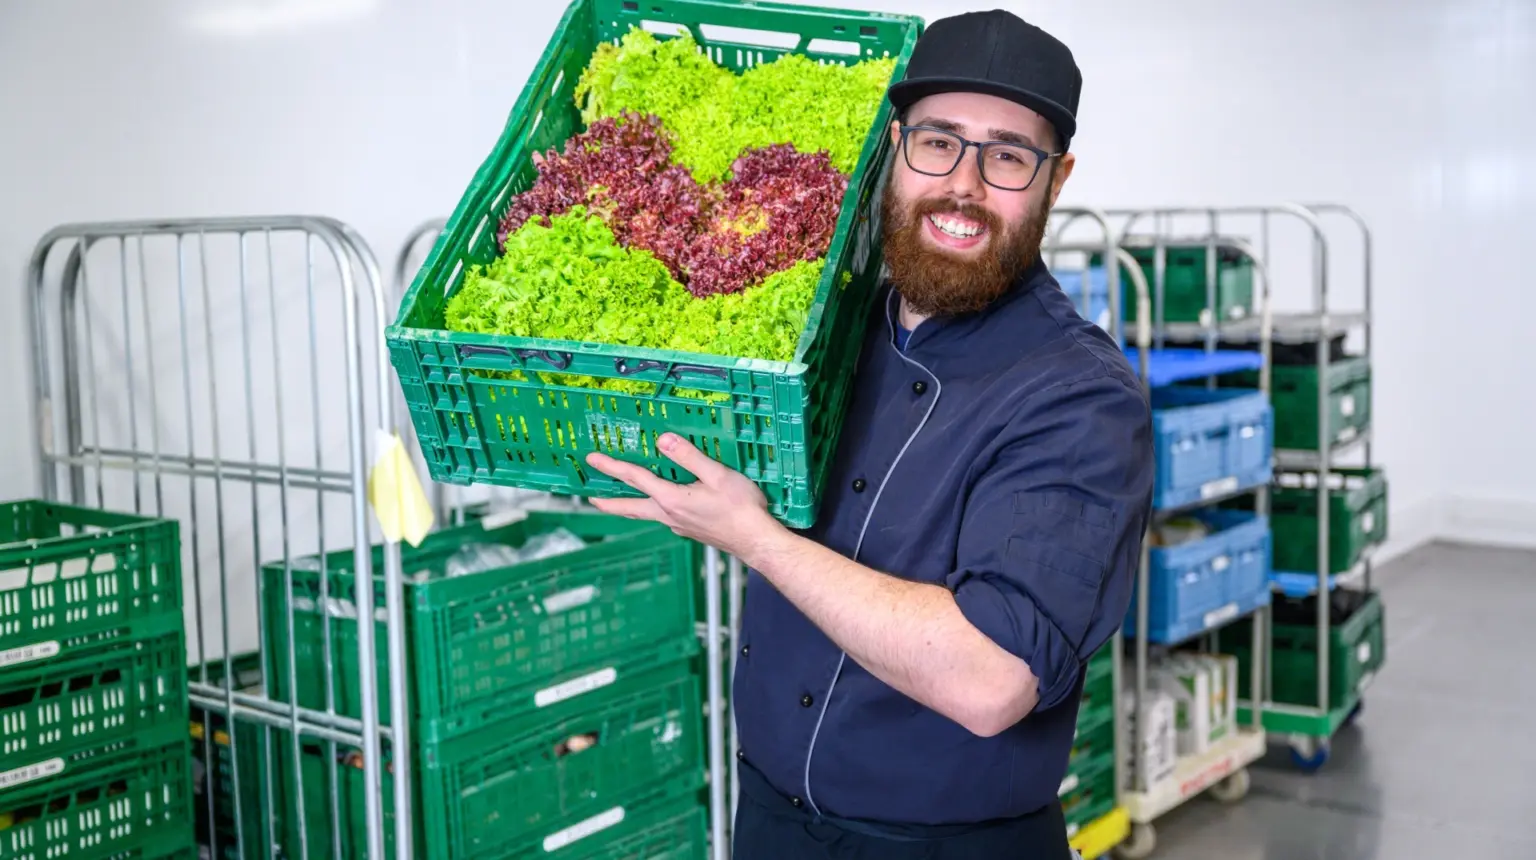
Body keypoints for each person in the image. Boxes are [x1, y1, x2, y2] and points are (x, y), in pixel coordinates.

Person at [586, 9, 1154, 859]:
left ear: (1056, 179)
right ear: (895, 144)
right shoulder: (828, 332)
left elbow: (991, 678)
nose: (964, 185)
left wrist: (757, 540)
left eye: (1007, 156)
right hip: (770, 822)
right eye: (938, 142)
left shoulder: (1079, 397)